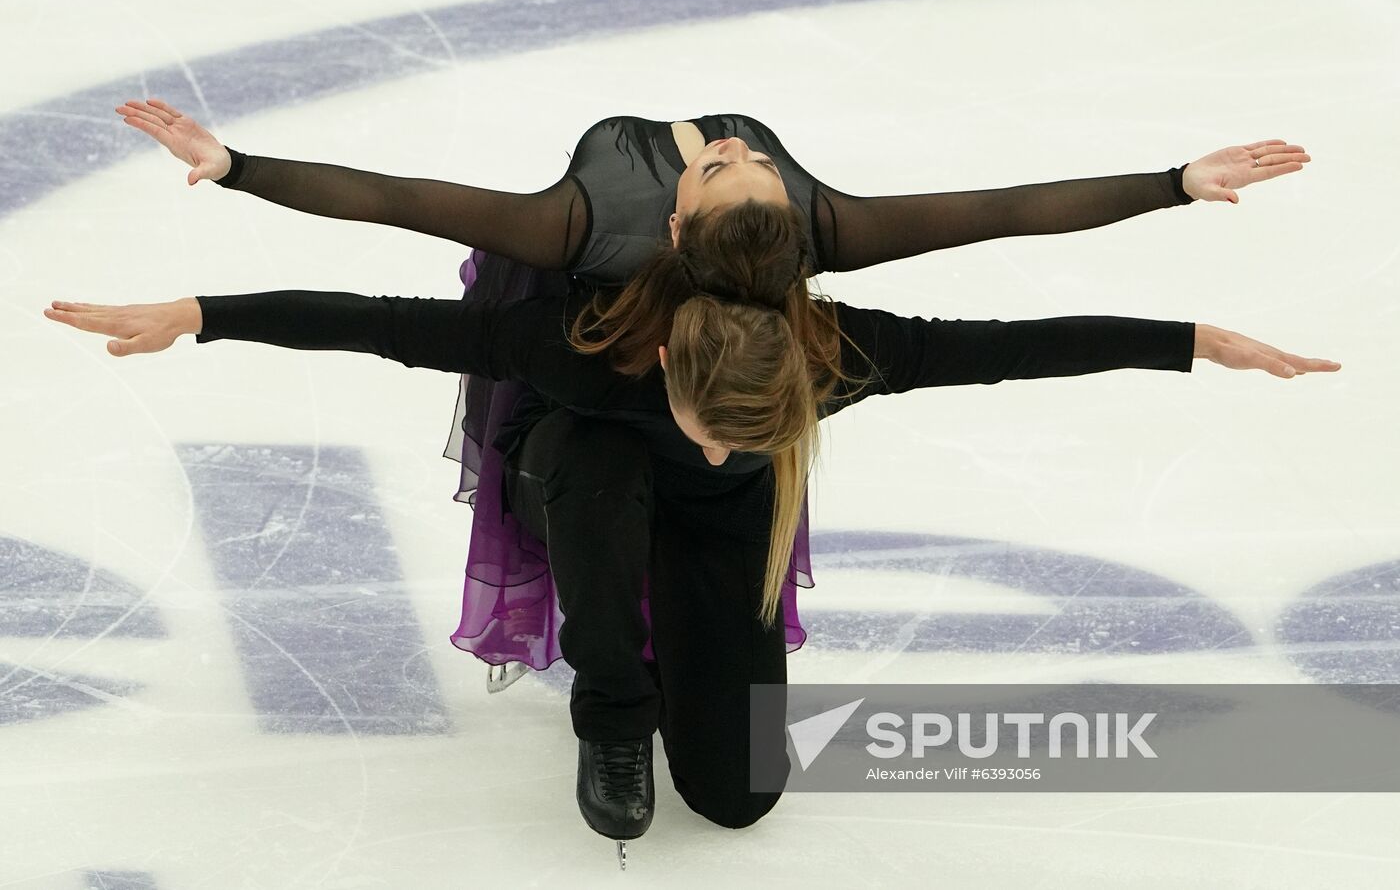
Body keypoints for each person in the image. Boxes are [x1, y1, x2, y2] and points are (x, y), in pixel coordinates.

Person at [42, 286, 1340, 853]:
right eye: (722, 423)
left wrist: (1198, 340)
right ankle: (612, 706)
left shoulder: (837, 351)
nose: (734, 436)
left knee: (737, 796)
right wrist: (200, 314)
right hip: (585, 483)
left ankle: (689, 682)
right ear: (666, 368)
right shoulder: (586, 346)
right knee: (602, 490)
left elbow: (1010, 344)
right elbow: (383, 324)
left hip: (719, 530)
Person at [113, 98, 1313, 676]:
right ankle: (610, 701)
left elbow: (1001, 226)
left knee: (737, 759)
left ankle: (708, 612)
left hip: (722, 392)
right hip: (590, 385)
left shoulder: (809, 274)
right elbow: (400, 215)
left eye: (757, 172)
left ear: (787, 229)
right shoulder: (590, 229)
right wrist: (237, 175)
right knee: (592, 464)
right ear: (675, 220)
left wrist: (1172, 197)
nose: (735, 149)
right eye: (734, 169)